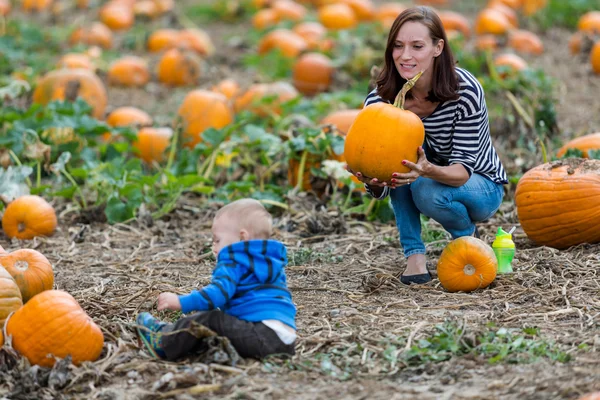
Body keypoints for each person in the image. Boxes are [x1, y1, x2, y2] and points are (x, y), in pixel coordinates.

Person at [348, 6, 508, 285]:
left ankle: (468, 239)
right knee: (400, 171)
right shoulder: (380, 101)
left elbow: (461, 171)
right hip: (423, 175)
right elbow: (382, 180)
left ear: (437, 47)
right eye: (398, 46)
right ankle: (414, 258)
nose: (405, 55)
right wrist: (374, 182)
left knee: (422, 187)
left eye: (417, 46)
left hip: (480, 184)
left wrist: (425, 170)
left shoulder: (465, 91)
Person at [136, 198, 297, 360]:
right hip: (285, 342)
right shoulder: (269, 261)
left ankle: (164, 341)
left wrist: (181, 302)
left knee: (211, 319)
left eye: (217, 240)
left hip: (259, 334)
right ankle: (184, 340)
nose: (213, 247)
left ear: (242, 238)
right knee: (220, 326)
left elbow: (217, 295)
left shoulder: (234, 259)